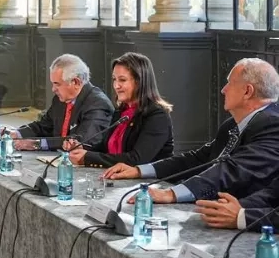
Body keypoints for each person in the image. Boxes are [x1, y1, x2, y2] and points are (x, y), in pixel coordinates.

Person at [105, 57, 279, 207]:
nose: (223, 90)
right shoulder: (231, 125)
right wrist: (139, 171)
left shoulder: (272, 125)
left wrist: (171, 194)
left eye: (230, 83)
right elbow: (197, 159)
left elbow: (232, 171)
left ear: (247, 91)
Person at [64, 52, 174, 168]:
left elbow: (136, 159)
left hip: (153, 179)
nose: (116, 86)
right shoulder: (121, 111)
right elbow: (106, 149)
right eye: (114, 79)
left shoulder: (157, 115)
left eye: (122, 80)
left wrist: (87, 157)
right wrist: (81, 148)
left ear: (139, 81)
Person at [12, 54, 114, 151]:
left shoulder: (98, 104)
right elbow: (44, 126)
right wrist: (17, 134)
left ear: (76, 82)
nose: (53, 89)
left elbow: (82, 140)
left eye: (57, 84)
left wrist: (37, 144)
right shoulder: (60, 100)